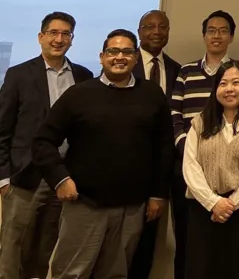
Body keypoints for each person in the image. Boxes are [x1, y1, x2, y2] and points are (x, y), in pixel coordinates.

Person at [31, 29, 174, 279]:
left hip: (132, 207)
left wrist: (158, 193)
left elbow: (164, 147)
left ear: (136, 58)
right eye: (113, 51)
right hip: (84, 204)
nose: (119, 57)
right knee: (71, 273)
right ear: (102, 57)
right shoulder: (79, 94)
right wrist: (60, 179)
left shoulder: (152, 95)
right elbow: (43, 141)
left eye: (127, 52)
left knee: (116, 274)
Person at [0, 12, 93, 279]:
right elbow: (2, 129)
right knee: (14, 247)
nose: (59, 39)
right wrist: (3, 178)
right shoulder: (19, 75)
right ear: (41, 37)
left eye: (65, 34)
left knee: (50, 246)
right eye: (53, 33)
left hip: (66, 176)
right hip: (25, 176)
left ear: (72, 39)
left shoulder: (84, 76)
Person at [183, 60, 239, 279]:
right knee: (202, 270)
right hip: (204, 210)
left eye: (236, 82)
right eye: (223, 83)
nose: (229, 89)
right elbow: (190, 166)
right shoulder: (200, 123)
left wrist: (230, 204)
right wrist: (213, 202)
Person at [170, 10, 236, 278]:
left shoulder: (238, 72)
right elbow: (174, 115)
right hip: (187, 169)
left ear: (231, 37)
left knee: (222, 243)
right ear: (204, 35)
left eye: (223, 31)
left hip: (227, 172)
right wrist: (188, 151)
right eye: (211, 30)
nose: (216, 36)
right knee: (187, 240)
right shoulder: (186, 72)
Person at [129, 9, 183, 279]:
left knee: (147, 243)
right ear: (139, 31)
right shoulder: (124, 63)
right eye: (149, 27)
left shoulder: (177, 70)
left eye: (162, 27)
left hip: (160, 169)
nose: (156, 32)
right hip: (125, 165)